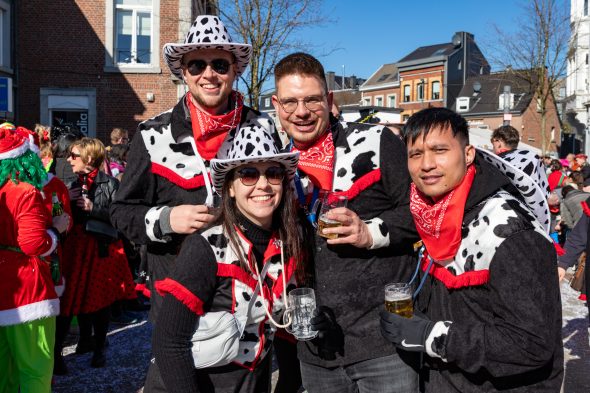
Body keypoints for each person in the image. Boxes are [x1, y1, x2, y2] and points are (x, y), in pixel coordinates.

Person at [109, 14, 276, 391]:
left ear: (235, 70)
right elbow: (120, 210)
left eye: (219, 64)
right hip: (180, 309)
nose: (209, 74)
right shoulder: (153, 133)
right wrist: (167, 218)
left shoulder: (259, 127)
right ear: (183, 72)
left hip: (248, 308)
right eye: (196, 64)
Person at [380, 107, 563, 392]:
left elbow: (531, 343)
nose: (426, 164)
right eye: (415, 154)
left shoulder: (512, 231)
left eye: (439, 150)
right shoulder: (433, 213)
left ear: (468, 154)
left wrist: (432, 336)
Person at [272, 52, 419, 392]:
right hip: (316, 347)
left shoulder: (376, 141)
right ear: (277, 105)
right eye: (291, 102)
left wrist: (370, 233)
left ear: (330, 99)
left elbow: (421, 211)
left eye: (312, 99)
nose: (302, 111)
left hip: (383, 342)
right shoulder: (270, 165)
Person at [153, 125, 304, 393]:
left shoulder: (287, 246)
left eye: (273, 172)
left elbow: (286, 333)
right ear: (231, 188)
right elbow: (170, 342)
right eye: (247, 174)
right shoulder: (205, 248)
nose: (262, 184)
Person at [55, 137, 137, 372]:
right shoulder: (67, 183)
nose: (69, 159)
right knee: (67, 299)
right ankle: (58, 353)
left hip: (100, 249)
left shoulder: (110, 184)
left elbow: (121, 219)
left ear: (89, 158)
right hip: (73, 249)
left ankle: (99, 347)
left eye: (74, 155)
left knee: (99, 301)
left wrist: (95, 209)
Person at [0, 127, 69, 392]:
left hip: (4, 286)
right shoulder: (25, 191)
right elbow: (34, 244)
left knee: (4, 370)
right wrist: (56, 230)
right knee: (35, 369)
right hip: (27, 291)